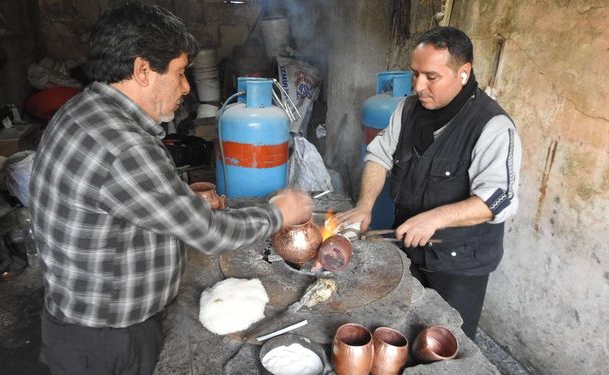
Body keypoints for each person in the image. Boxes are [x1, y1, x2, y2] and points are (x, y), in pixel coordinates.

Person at [27, 3, 312, 374]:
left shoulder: (83, 110)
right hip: (107, 338)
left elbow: (115, 197)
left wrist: (178, 199)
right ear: (142, 70)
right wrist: (279, 213)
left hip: (79, 318)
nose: (186, 86)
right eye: (179, 73)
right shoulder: (126, 146)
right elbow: (210, 234)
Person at [332, 26, 521, 339]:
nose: (418, 86)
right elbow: (379, 156)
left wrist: (435, 218)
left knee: (443, 345)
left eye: (431, 77)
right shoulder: (408, 109)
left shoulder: (493, 126)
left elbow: (498, 200)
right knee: (400, 333)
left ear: (463, 73)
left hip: (458, 265)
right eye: (414, 73)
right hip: (408, 250)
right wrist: (364, 206)